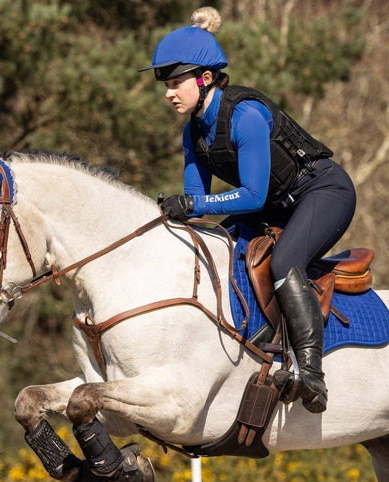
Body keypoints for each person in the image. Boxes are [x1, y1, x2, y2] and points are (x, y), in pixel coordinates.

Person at [143, 7, 357, 414]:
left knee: (286, 261)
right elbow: (196, 205)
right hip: (277, 205)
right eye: (165, 85)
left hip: (323, 192)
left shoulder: (246, 116)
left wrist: (195, 204)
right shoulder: (193, 131)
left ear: (204, 79)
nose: (168, 93)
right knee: (218, 249)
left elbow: (253, 196)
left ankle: (312, 372)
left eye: (174, 83)